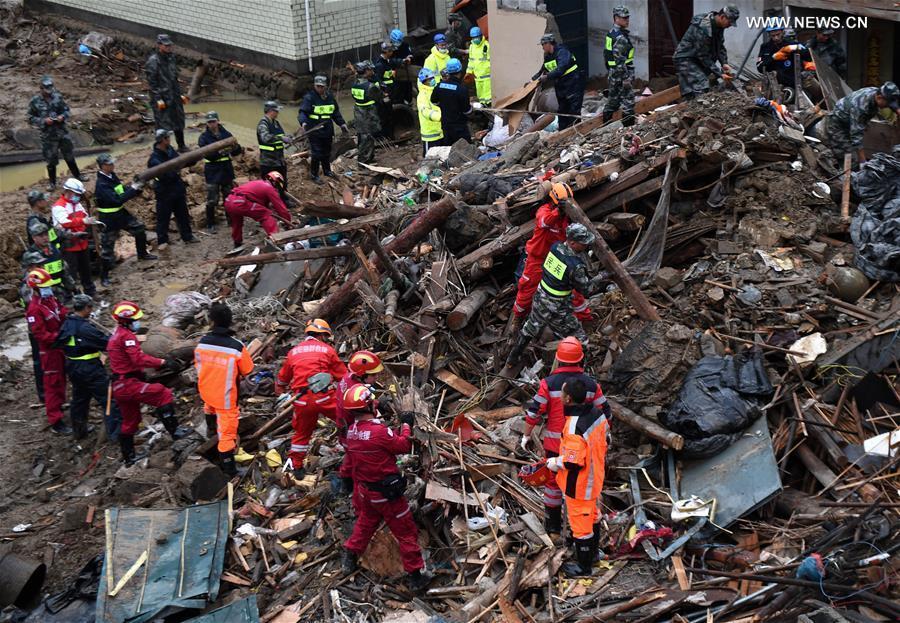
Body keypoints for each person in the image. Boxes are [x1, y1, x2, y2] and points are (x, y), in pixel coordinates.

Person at [340, 385, 429, 591]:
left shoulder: (351, 432)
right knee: (406, 531)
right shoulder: (378, 431)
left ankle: (350, 555)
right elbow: (403, 445)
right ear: (369, 405)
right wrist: (406, 424)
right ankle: (415, 576)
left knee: (366, 524)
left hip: (367, 493)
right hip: (387, 495)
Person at [521, 337, 610, 540]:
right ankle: (578, 528)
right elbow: (605, 412)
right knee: (578, 488)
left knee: (553, 485)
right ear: (580, 359)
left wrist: (526, 435)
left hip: (555, 445)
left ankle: (553, 527)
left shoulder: (548, 383)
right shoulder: (589, 384)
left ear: (558, 359)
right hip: (584, 446)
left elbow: (534, 412)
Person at [507, 223, 606, 365]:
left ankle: (513, 356)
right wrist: (601, 276)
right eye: (582, 243)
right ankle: (580, 366)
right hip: (558, 305)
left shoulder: (555, 247)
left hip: (541, 295)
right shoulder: (575, 266)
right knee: (579, 337)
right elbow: (587, 290)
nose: (586, 246)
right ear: (572, 242)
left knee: (531, 325)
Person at [108, 300, 187, 465]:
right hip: (128, 384)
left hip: (119, 386)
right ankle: (176, 432)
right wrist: (163, 363)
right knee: (163, 394)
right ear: (127, 321)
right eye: (135, 319)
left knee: (131, 421)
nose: (138, 322)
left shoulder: (116, 336)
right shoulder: (126, 336)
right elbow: (138, 358)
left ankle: (129, 457)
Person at [545, 379, 611, 576]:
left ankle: (584, 567)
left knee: (581, 526)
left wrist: (555, 463)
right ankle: (593, 554)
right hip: (596, 474)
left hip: (579, 484)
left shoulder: (574, 427)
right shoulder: (596, 414)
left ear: (568, 398)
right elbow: (606, 438)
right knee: (592, 516)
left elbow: (574, 462)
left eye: (562, 394)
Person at [512, 183, 590, 331]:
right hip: (538, 258)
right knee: (527, 288)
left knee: (573, 290)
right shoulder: (545, 211)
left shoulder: (568, 219)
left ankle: (585, 319)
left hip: (557, 259)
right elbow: (543, 221)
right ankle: (518, 317)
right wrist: (557, 212)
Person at [275, 318, 348, 478]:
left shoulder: (293, 352)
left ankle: (296, 466)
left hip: (301, 400)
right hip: (324, 398)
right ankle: (353, 452)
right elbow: (343, 377)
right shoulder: (327, 350)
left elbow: (282, 379)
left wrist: (280, 391)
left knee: (301, 433)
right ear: (322, 335)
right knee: (346, 422)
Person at [194, 302, 254, 477]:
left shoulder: (202, 343)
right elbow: (248, 370)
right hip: (226, 398)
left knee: (210, 408)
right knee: (227, 434)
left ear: (211, 321)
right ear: (230, 321)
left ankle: (211, 431)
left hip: (206, 391)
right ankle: (230, 470)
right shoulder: (236, 347)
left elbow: (199, 366)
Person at [57, 294, 122, 440]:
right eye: (90, 307)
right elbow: (106, 343)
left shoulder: (67, 323)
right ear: (86, 308)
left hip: (73, 367)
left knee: (80, 400)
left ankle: (79, 432)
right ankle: (116, 434)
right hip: (89, 368)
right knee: (109, 399)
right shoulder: (85, 328)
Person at [94, 153, 156, 286]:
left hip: (121, 213)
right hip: (109, 219)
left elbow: (121, 190)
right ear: (103, 166)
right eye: (110, 164)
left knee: (139, 228)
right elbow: (117, 199)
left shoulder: (112, 177)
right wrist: (132, 189)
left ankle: (142, 254)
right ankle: (104, 276)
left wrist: (135, 188)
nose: (113, 165)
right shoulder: (101, 184)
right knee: (107, 248)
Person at [25, 268, 70, 434]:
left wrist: (71, 316)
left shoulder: (50, 299)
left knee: (62, 380)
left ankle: (60, 405)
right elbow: (40, 334)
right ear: (36, 288)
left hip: (59, 347)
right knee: (53, 384)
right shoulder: (34, 309)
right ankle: (55, 420)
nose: (48, 289)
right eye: (45, 287)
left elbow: (61, 311)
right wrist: (59, 337)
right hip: (49, 351)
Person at [334, 350, 384, 493]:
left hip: (345, 424)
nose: (376, 377)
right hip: (349, 427)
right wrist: (375, 405)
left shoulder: (350, 378)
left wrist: (375, 402)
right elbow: (361, 410)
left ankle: (348, 480)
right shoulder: (353, 389)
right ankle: (350, 483)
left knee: (351, 455)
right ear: (362, 374)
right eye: (373, 375)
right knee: (354, 457)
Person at [27, 75, 83, 191]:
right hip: (48, 136)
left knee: (69, 156)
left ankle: (78, 176)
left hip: (62, 132)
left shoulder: (58, 97)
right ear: (41, 88)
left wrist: (62, 116)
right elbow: (30, 117)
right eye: (46, 90)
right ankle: (52, 183)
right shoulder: (35, 101)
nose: (49, 92)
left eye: (50, 89)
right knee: (51, 161)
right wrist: (43, 121)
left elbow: (66, 110)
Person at [673, 6, 739, 99]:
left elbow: (720, 47)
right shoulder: (703, 27)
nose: (730, 25)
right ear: (722, 17)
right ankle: (699, 108)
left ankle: (692, 107)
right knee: (701, 84)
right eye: (729, 22)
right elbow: (702, 54)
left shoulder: (719, 26)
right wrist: (719, 74)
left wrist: (724, 63)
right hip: (686, 58)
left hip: (698, 59)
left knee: (692, 90)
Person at [826, 82, 900, 165]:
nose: (888, 106)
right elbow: (856, 137)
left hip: (851, 121)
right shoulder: (861, 107)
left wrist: (898, 112)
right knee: (851, 159)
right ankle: (842, 175)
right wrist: (863, 161)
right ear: (879, 98)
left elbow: (893, 106)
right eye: (888, 104)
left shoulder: (876, 92)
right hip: (838, 125)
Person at [148, 129, 198, 246]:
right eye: (168, 138)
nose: (170, 140)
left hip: (177, 189)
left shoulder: (170, 150)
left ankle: (187, 236)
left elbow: (179, 162)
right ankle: (162, 241)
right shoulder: (154, 159)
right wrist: (176, 170)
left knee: (183, 214)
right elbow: (166, 176)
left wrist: (191, 161)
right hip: (164, 192)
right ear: (162, 140)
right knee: (163, 218)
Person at [298, 75, 349, 184]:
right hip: (314, 129)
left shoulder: (330, 97)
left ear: (325, 87)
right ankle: (314, 174)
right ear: (315, 86)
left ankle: (327, 170)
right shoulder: (310, 98)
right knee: (316, 154)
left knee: (327, 151)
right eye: (318, 86)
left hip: (327, 129)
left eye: (322, 87)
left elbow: (335, 112)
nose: (320, 89)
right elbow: (303, 112)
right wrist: (303, 122)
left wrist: (342, 124)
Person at [51, 177, 96, 296]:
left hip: (82, 244)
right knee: (71, 274)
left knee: (86, 271)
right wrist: (83, 221)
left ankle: (90, 292)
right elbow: (65, 222)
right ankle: (75, 297)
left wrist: (88, 222)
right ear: (69, 192)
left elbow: (85, 216)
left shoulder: (77, 204)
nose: (78, 197)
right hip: (69, 247)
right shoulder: (59, 207)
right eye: (77, 194)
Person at [198, 111, 242, 232]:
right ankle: (210, 224)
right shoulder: (204, 137)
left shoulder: (226, 133)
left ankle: (231, 220)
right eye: (209, 122)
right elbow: (207, 154)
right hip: (212, 171)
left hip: (226, 169)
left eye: (213, 121)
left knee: (229, 197)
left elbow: (236, 151)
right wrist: (222, 151)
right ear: (207, 123)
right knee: (212, 199)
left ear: (217, 121)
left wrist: (235, 147)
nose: (212, 124)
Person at [224, 172, 293, 249]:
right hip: (241, 203)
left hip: (229, 200)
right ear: (275, 182)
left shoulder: (258, 183)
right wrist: (288, 223)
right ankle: (275, 239)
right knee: (267, 215)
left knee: (237, 222)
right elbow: (281, 209)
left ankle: (237, 243)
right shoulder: (269, 188)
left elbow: (257, 201)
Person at [532, 34, 585, 131]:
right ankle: (563, 132)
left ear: (548, 43)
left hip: (573, 83)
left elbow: (561, 69)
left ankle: (576, 131)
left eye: (543, 45)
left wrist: (547, 77)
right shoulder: (548, 57)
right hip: (561, 86)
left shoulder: (562, 52)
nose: (542, 47)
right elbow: (542, 70)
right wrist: (532, 80)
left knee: (573, 110)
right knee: (562, 111)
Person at [145, 34, 188, 152]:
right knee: (162, 125)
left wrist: (180, 94)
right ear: (159, 45)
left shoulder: (171, 58)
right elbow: (152, 83)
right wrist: (158, 98)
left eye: (169, 45)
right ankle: (163, 150)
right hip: (162, 97)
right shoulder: (153, 61)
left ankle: (182, 146)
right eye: (166, 45)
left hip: (174, 96)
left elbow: (174, 77)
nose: (168, 47)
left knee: (178, 121)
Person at [601, 6, 635, 126]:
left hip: (613, 73)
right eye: (624, 18)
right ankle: (629, 131)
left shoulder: (612, 33)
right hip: (621, 75)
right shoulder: (620, 37)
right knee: (629, 103)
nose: (627, 20)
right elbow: (619, 60)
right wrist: (626, 78)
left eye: (627, 17)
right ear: (616, 18)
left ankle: (605, 128)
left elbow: (607, 55)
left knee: (613, 102)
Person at [23, 222, 74, 302]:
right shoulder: (31, 255)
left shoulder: (54, 250)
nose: (45, 238)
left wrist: (72, 288)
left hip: (60, 290)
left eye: (46, 234)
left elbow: (64, 271)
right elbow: (29, 280)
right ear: (34, 238)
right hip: (43, 293)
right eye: (41, 236)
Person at [431, 59, 473, 145]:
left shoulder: (439, 86)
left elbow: (433, 101)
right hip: (459, 126)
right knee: (466, 148)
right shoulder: (462, 89)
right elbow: (467, 111)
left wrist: (445, 105)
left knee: (449, 149)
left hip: (445, 125)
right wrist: (472, 109)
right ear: (460, 71)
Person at [351, 61, 382, 165]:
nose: (372, 71)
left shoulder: (354, 83)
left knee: (362, 135)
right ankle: (365, 160)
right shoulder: (370, 86)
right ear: (366, 71)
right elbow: (378, 97)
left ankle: (367, 157)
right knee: (368, 136)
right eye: (370, 70)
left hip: (358, 110)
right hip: (368, 112)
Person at [373, 42, 405, 139]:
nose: (392, 53)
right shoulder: (379, 65)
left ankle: (391, 134)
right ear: (386, 52)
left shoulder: (387, 61)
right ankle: (386, 136)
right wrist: (384, 94)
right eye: (391, 51)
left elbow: (394, 61)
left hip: (392, 91)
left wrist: (402, 60)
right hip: (386, 94)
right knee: (385, 117)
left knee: (391, 115)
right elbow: (378, 81)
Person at [257, 101, 288, 189]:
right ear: (270, 111)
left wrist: (288, 137)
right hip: (268, 162)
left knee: (282, 183)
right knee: (268, 186)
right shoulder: (263, 124)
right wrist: (281, 139)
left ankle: (283, 200)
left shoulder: (276, 123)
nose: (278, 113)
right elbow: (265, 137)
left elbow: (281, 135)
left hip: (279, 160)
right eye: (276, 111)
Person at [416, 68, 443, 156]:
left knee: (441, 156)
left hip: (440, 131)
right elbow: (425, 111)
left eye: (433, 78)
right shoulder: (422, 95)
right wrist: (439, 117)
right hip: (430, 133)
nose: (432, 80)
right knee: (429, 158)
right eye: (430, 79)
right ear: (424, 81)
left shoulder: (435, 90)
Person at [466, 27, 491, 106]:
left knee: (488, 97)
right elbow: (471, 60)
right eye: (473, 38)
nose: (475, 39)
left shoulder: (487, 45)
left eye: (476, 37)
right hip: (477, 77)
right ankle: (483, 111)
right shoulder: (471, 47)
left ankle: (489, 108)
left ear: (480, 36)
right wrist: (468, 72)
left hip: (487, 77)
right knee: (481, 97)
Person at [389, 29, 415, 104]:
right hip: (395, 74)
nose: (398, 44)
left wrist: (409, 58)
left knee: (408, 88)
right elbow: (389, 61)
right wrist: (400, 61)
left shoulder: (405, 45)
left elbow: (410, 54)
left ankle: (409, 102)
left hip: (406, 72)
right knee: (397, 91)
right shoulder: (389, 48)